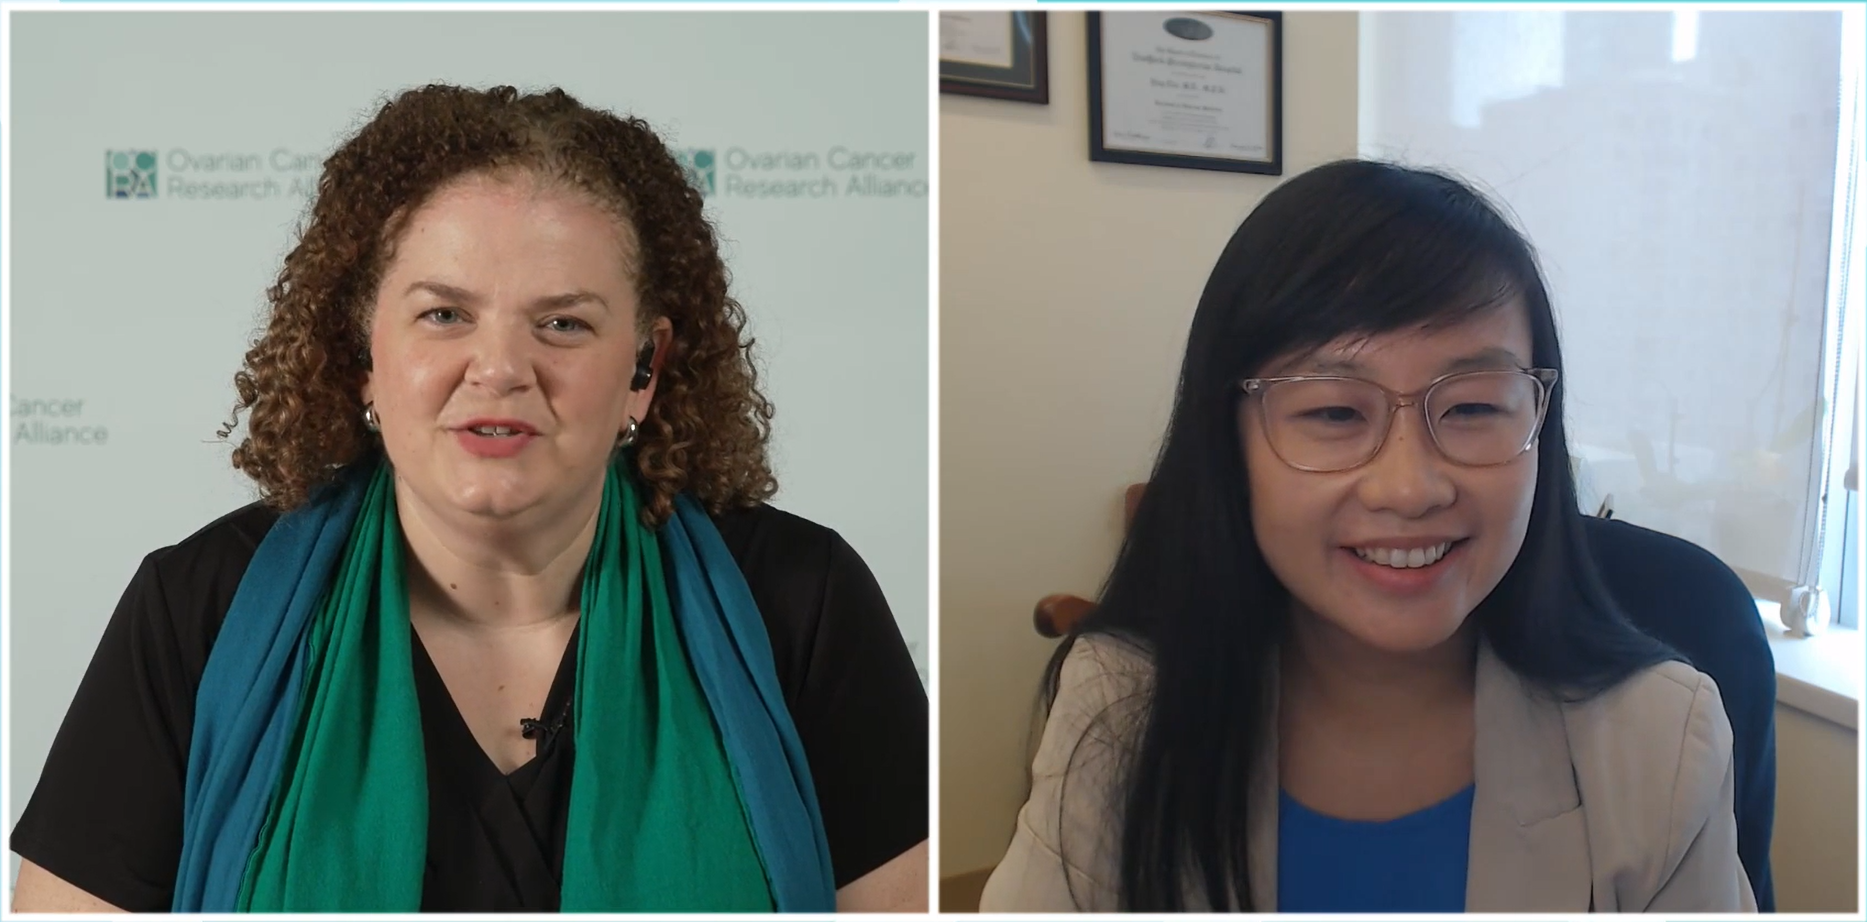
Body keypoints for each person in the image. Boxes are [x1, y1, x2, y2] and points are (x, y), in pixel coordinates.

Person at [10, 84, 928, 913]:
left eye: (562, 323)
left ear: (644, 372)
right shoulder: (199, 607)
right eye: (443, 314)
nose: (499, 369)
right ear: (366, 355)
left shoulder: (801, 599)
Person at [978, 160, 1754, 913]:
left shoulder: (1657, 738)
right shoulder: (1120, 707)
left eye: (1474, 408)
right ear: (1228, 444)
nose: (1409, 488)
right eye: (1333, 413)